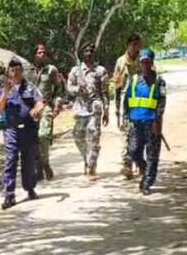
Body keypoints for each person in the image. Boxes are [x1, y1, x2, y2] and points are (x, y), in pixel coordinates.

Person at [0, 58, 45, 210]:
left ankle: (29, 189)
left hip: (28, 129)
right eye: (12, 70)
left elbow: (40, 102)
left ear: (22, 71)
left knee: (28, 160)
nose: (15, 73)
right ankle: (9, 194)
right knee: (11, 160)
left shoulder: (30, 88)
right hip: (11, 130)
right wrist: (5, 94)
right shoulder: (4, 89)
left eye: (18, 69)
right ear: (9, 72)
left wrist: (37, 109)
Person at [123, 49, 167, 195]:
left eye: (148, 62)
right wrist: (125, 118)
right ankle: (143, 167)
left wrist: (157, 121)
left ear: (152, 63)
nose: (145, 65)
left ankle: (147, 182)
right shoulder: (134, 80)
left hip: (152, 123)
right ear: (139, 63)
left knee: (152, 155)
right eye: (143, 62)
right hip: (136, 123)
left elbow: (161, 102)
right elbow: (127, 100)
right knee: (134, 151)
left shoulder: (159, 81)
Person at [68, 42, 110, 180]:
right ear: (82, 53)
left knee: (93, 137)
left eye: (91, 51)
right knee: (78, 137)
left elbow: (105, 93)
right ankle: (87, 159)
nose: (88, 53)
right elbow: (69, 88)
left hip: (94, 108)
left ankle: (91, 168)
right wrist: (78, 89)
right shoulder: (75, 71)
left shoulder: (100, 71)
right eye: (86, 51)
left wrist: (106, 111)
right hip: (80, 109)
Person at [111, 34, 142, 179]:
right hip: (126, 99)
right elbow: (117, 84)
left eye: (137, 44)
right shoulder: (121, 62)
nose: (135, 47)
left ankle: (140, 163)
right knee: (126, 132)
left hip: (141, 99)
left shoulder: (143, 60)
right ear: (128, 46)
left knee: (140, 132)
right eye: (133, 44)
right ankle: (127, 164)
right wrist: (117, 107)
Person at [32, 44, 64, 181]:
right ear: (34, 55)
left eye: (44, 53)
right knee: (32, 139)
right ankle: (37, 167)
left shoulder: (51, 70)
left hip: (46, 106)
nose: (42, 55)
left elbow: (59, 90)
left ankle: (45, 163)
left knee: (44, 135)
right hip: (31, 108)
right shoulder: (28, 70)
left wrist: (57, 106)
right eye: (39, 53)